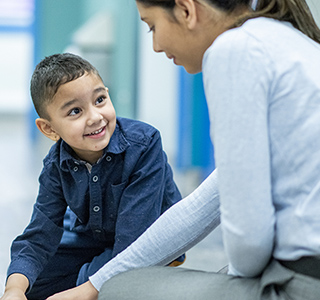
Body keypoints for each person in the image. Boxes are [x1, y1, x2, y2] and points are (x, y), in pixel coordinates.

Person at [44, 0, 320, 299]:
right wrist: (91, 286)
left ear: (187, 10)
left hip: (302, 285)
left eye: (152, 26)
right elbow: (198, 209)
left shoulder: (234, 51)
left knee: (122, 289)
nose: (156, 46)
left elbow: (249, 248)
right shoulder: (289, 41)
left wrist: (101, 287)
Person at [1, 53, 185, 300]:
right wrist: (14, 289)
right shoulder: (56, 164)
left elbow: (134, 242)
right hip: (93, 238)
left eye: (100, 100)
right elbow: (39, 234)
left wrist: (84, 287)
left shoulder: (144, 145)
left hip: (143, 241)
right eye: (75, 111)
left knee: (100, 279)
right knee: (36, 281)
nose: (96, 117)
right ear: (49, 129)